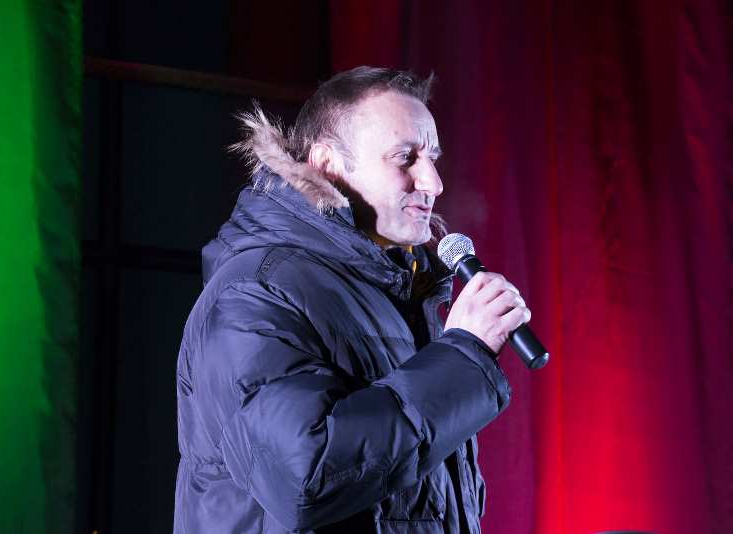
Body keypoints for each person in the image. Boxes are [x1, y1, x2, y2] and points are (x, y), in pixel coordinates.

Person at [174, 66, 530, 533]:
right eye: (405, 158)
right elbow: (305, 476)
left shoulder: (401, 294)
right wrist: (461, 356)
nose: (433, 182)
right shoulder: (257, 291)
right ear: (328, 165)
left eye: (432, 157)